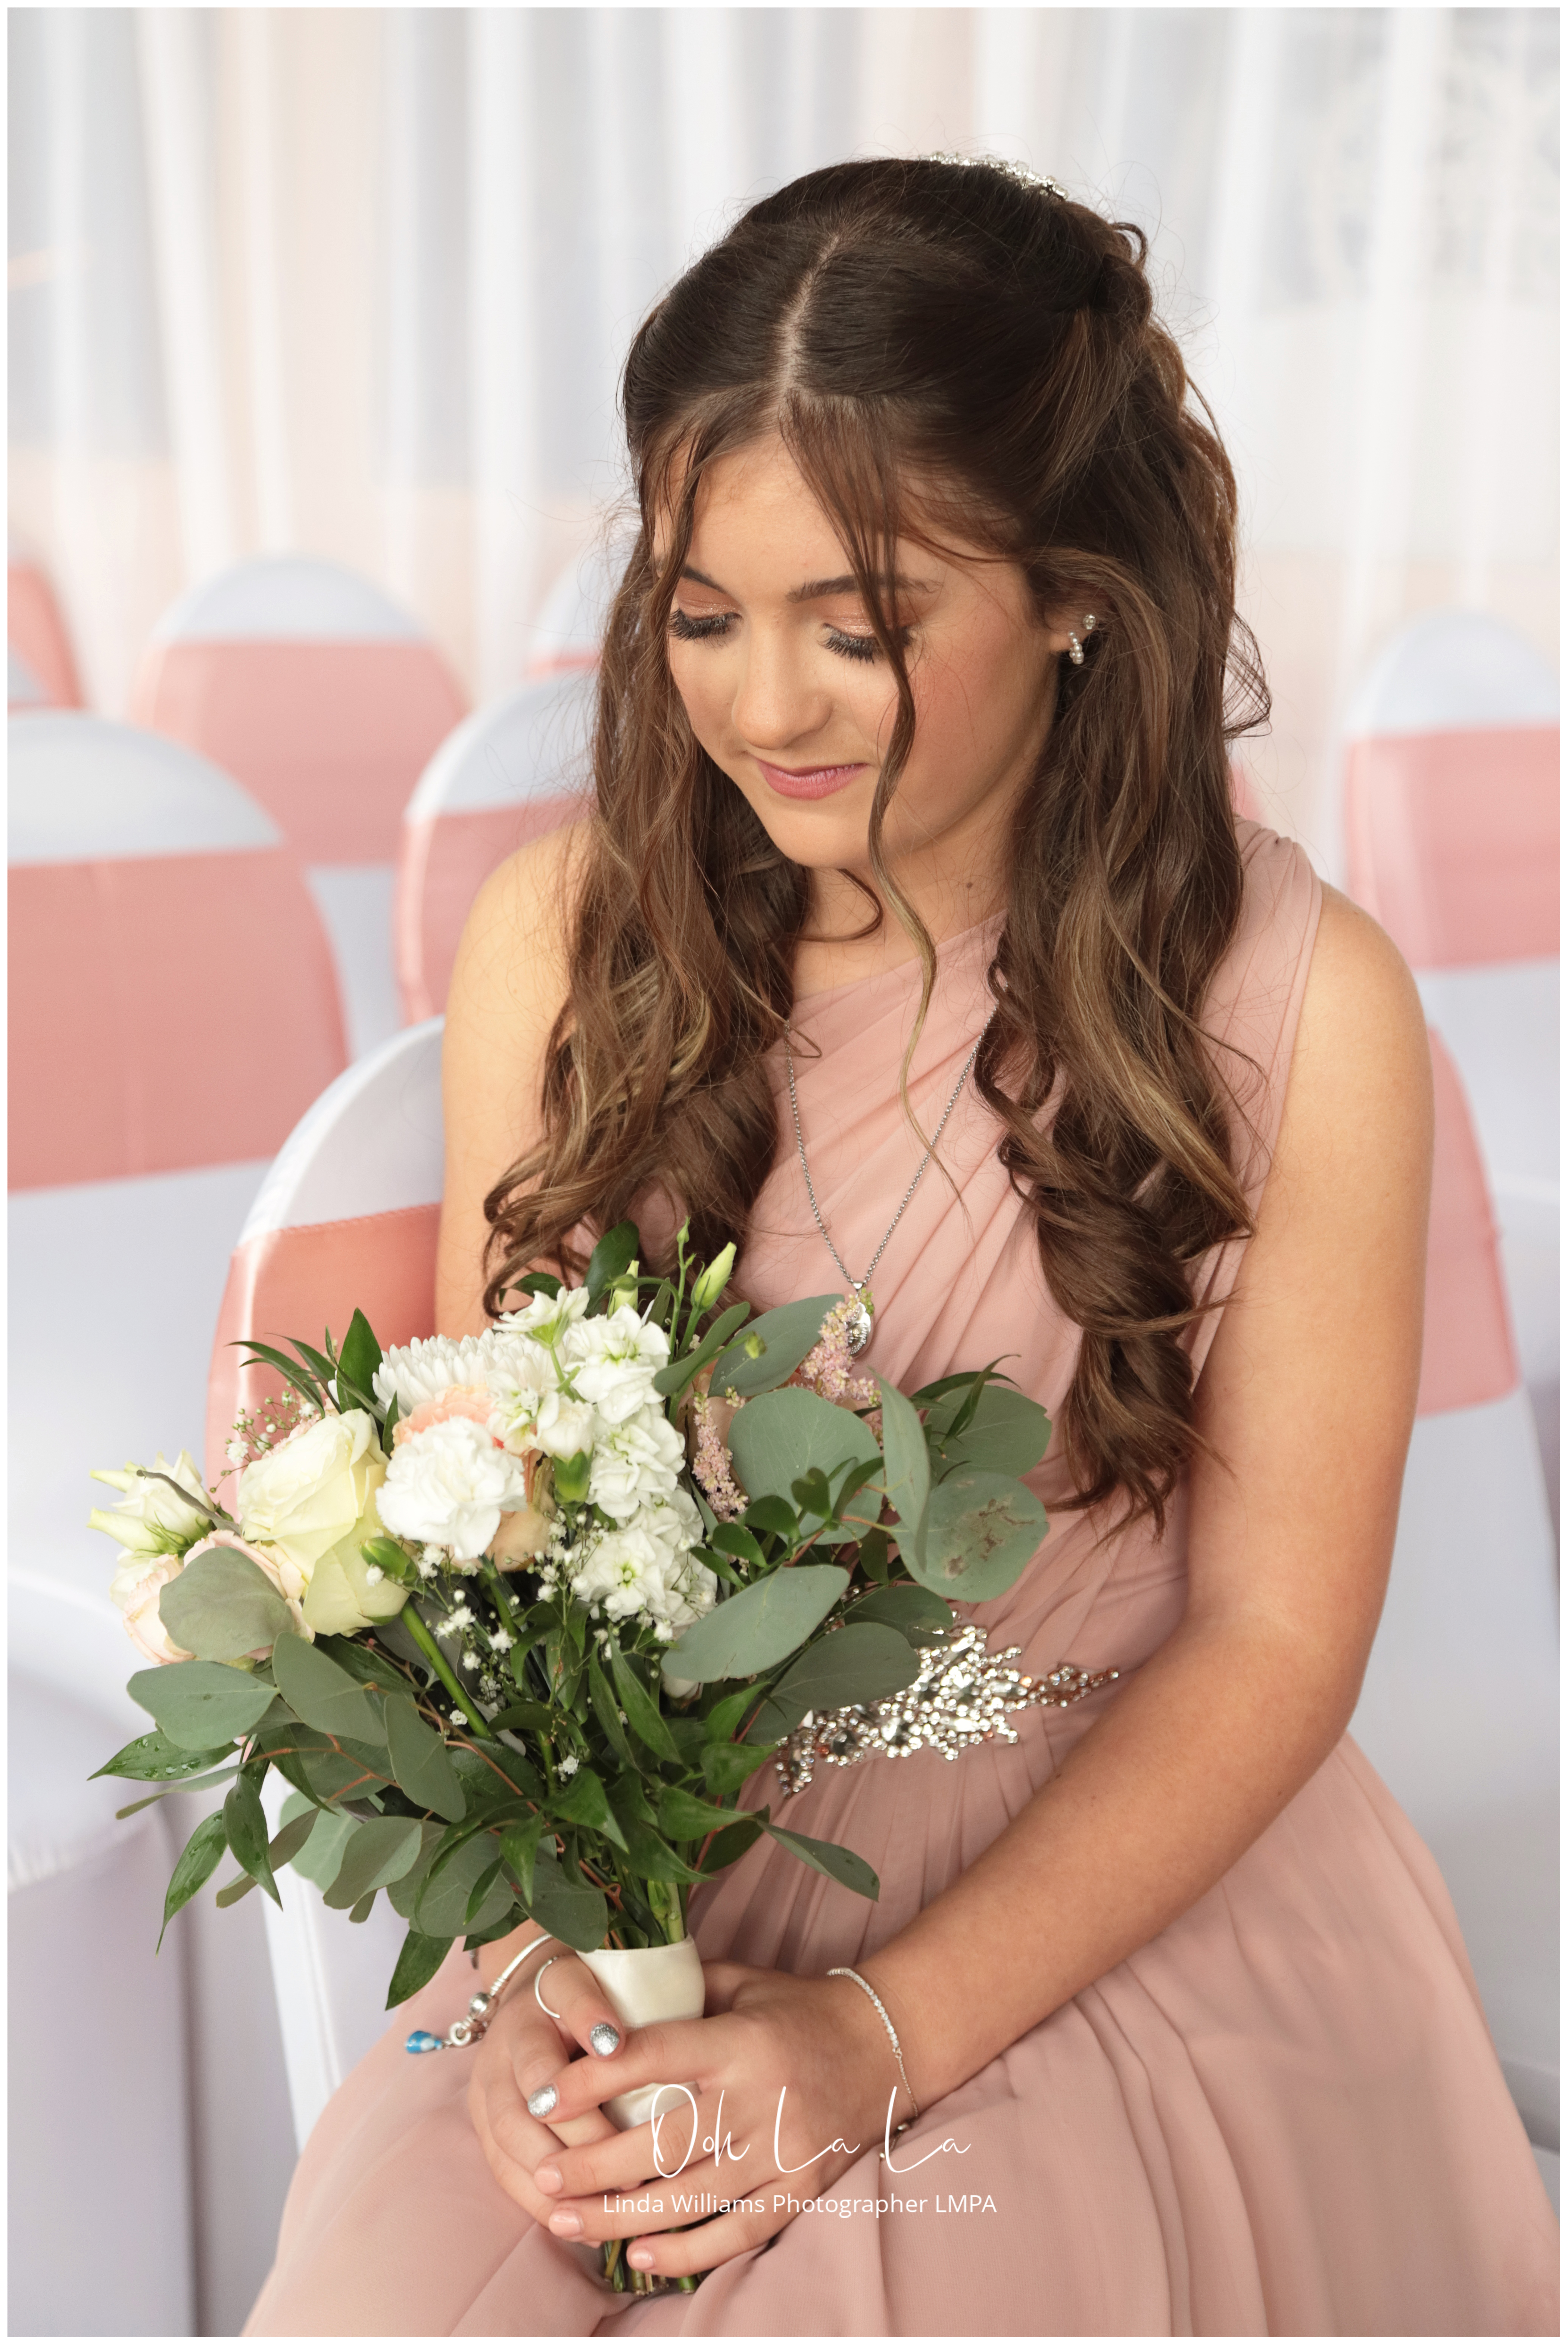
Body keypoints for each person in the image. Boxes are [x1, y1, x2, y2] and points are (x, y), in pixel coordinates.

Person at [246, 157, 1557, 2337]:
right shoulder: (563, 942)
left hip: (1095, 1903)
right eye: (702, 613)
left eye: (860, 627)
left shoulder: (1307, 1009)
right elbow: (509, 1562)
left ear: (1072, 594)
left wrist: (866, 2037)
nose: (768, 706)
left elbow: (1271, 1641)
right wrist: (531, 1978)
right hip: (653, 1884)